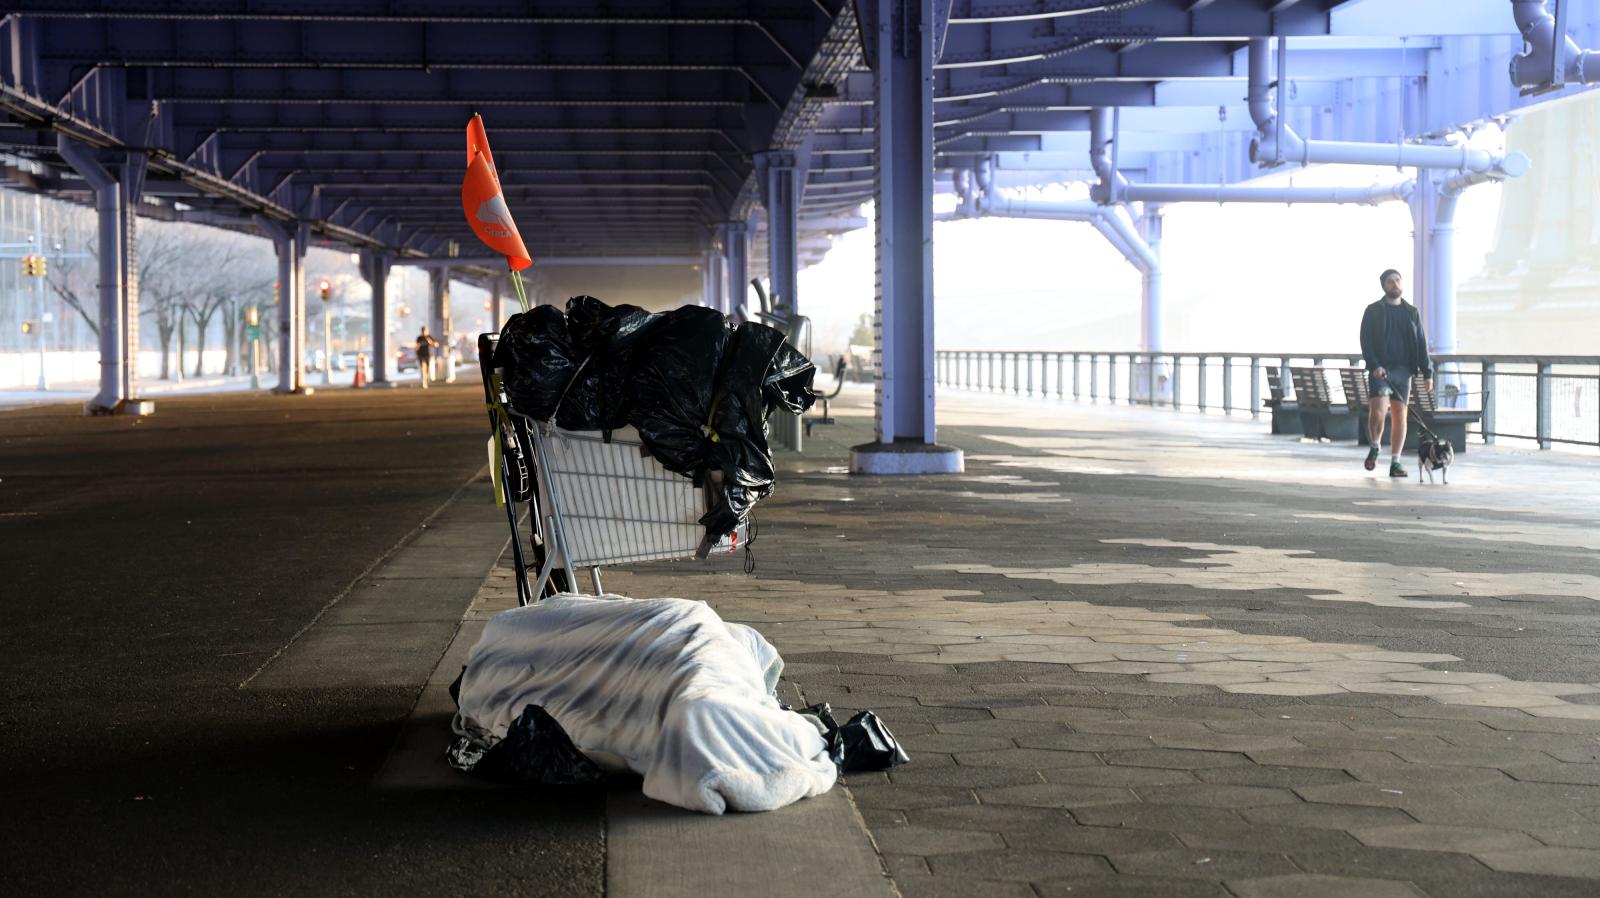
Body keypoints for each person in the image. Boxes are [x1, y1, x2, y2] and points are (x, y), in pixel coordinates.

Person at [1359, 270, 1433, 478]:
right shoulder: (1373, 311)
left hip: (1403, 370)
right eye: (1390, 281)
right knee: (1379, 412)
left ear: (1402, 283)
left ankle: (1396, 462)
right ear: (1384, 286)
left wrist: (1428, 373)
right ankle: (1375, 445)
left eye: (1397, 280)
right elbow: (1366, 341)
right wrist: (1374, 365)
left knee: (1401, 416)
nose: (1394, 284)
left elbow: (1420, 343)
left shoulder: (1411, 312)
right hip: (1380, 370)